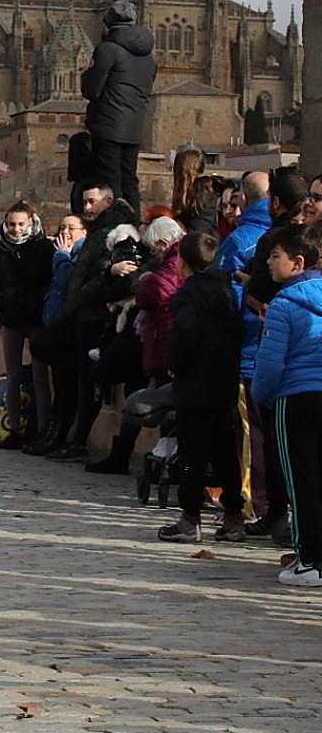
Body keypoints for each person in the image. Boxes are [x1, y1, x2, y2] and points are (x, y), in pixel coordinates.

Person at [158, 232, 245, 543]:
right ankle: (235, 517)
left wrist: (174, 362)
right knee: (224, 452)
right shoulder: (226, 292)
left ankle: (190, 518)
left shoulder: (188, 295)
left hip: (194, 384)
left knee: (193, 454)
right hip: (222, 382)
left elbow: (185, 332)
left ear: (183, 263)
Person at [251, 224, 322, 584]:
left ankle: (308, 560)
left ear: (297, 262)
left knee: (301, 482)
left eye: (275, 257)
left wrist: (260, 395)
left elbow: (270, 363)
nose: (268, 263)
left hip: (294, 398)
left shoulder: (283, 303)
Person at [240, 168, 306, 542]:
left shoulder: (274, 241)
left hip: (278, 363)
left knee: (278, 445)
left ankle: (279, 514)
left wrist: (249, 285)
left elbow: (262, 295)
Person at [53, 181, 138, 461]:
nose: (87, 208)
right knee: (75, 377)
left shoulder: (117, 235)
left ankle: (79, 441)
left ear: (108, 202)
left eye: (92, 202)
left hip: (98, 318)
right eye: (85, 202)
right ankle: (67, 435)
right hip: (83, 315)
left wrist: (84, 292)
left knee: (90, 383)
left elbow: (106, 279)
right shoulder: (99, 231)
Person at [216, 171, 273, 528]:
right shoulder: (284, 235)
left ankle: (256, 504)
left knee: (253, 435)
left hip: (250, 352)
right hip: (274, 351)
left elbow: (227, 302)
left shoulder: (241, 241)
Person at [0, 201, 53, 449]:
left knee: (40, 374)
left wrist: (39, 304)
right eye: (12, 224)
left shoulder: (44, 248)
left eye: (21, 224)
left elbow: (49, 280)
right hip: (11, 317)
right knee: (12, 375)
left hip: (36, 318)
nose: (16, 229)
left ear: (31, 222)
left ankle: (43, 429)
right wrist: (0, 303)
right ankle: (14, 429)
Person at [80, 0, 157, 213]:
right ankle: (133, 225)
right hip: (134, 126)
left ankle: (114, 227)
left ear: (108, 22)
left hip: (107, 124)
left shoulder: (107, 50)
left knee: (109, 181)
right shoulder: (149, 58)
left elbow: (91, 90)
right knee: (129, 179)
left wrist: (86, 73)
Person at [26, 215, 86, 456]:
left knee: (67, 388)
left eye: (71, 227)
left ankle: (59, 437)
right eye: (62, 227)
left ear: (83, 231)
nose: (66, 232)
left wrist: (62, 254)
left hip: (70, 330)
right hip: (55, 324)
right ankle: (51, 434)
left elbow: (66, 281)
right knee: (60, 385)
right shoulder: (61, 251)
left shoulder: (76, 253)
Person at [134, 216, 186, 384]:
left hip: (167, 332)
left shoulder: (174, 261)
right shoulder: (181, 254)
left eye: (154, 250)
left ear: (163, 244)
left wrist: (147, 281)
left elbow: (153, 296)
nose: (155, 255)